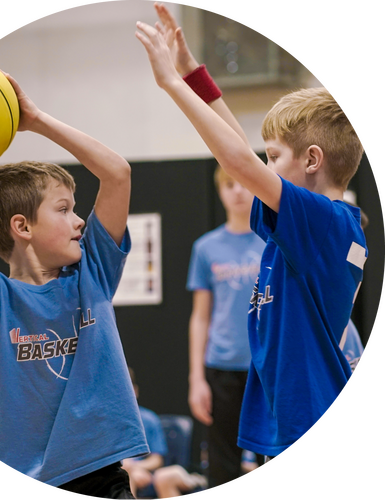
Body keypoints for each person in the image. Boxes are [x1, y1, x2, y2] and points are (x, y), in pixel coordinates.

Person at [136, 2, 367, 466]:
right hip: (290, 413)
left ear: (312, 160)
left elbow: (238, 161)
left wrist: (171, 84)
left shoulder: (326, 221)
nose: (265, 168)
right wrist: (194, 73)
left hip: (308, 414)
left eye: (274, 157)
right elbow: (241, 151)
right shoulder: (315, 224)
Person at [0, 68, 149, 498]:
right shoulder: (0, 300)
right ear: (22, 226)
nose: (79, 221)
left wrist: (36, 119)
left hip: (105, 478)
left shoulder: (92, 273)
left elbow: (117, 173)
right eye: (63, 209)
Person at [187, 164, 265, 489]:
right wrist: (196, 379)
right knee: (222, 466)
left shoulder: (272, 241)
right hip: (221, 369)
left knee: (270, 453)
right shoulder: (206, 248)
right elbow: (200, 316)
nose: (238, 191)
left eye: (243, 183)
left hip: (265, 366)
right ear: (220, 191)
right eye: (229, 184)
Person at [122, 368, 167, 498]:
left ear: (135, 391)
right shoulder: (105, 421)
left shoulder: (149, 419)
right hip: (116, 472)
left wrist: (134, 467)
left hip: (141, 473)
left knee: (127, 476)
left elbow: (157, 460)